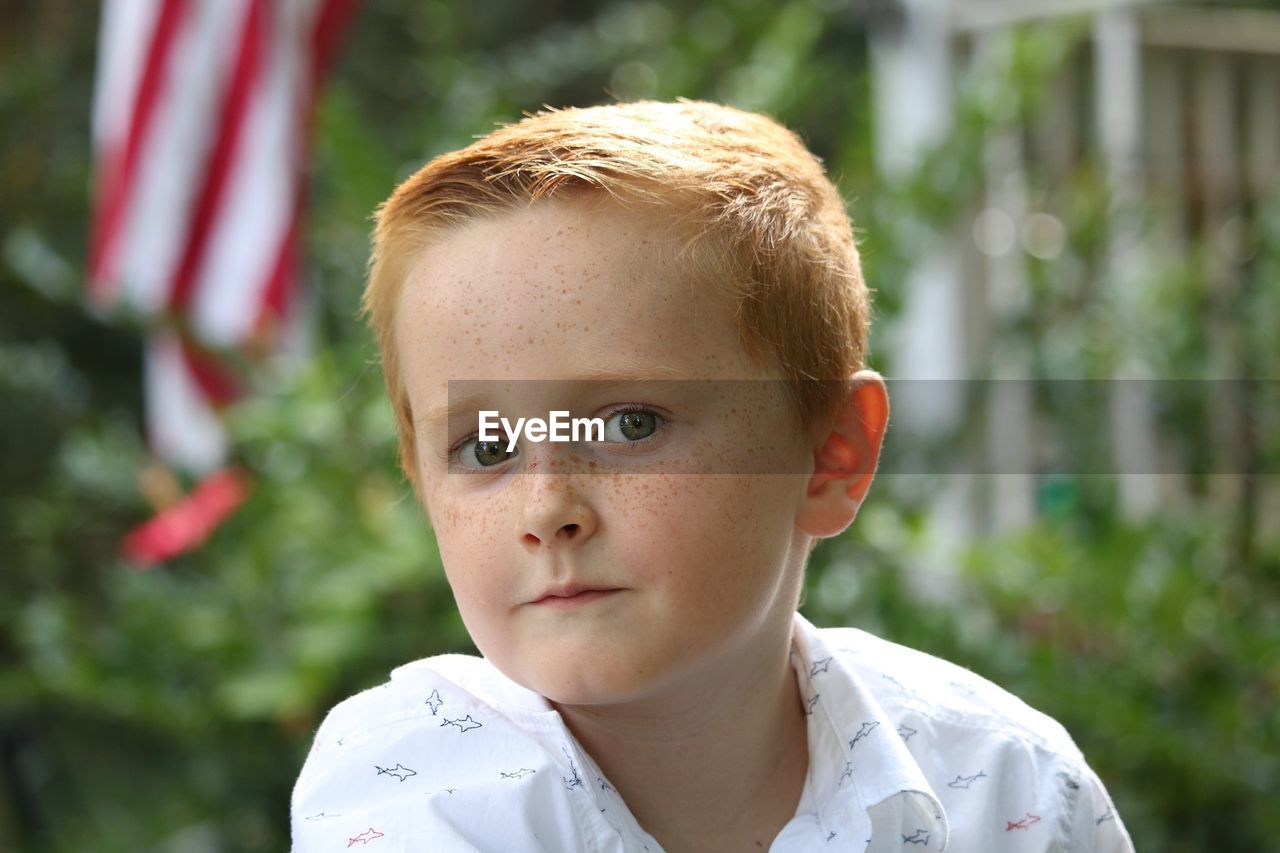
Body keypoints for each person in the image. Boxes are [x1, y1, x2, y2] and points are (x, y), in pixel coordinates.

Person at [291, 100, 1134, 852]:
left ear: (832, 451)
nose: (547, 508)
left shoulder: (1013, 786)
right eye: (485, 447)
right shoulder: (416, 791)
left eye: (631, 423)